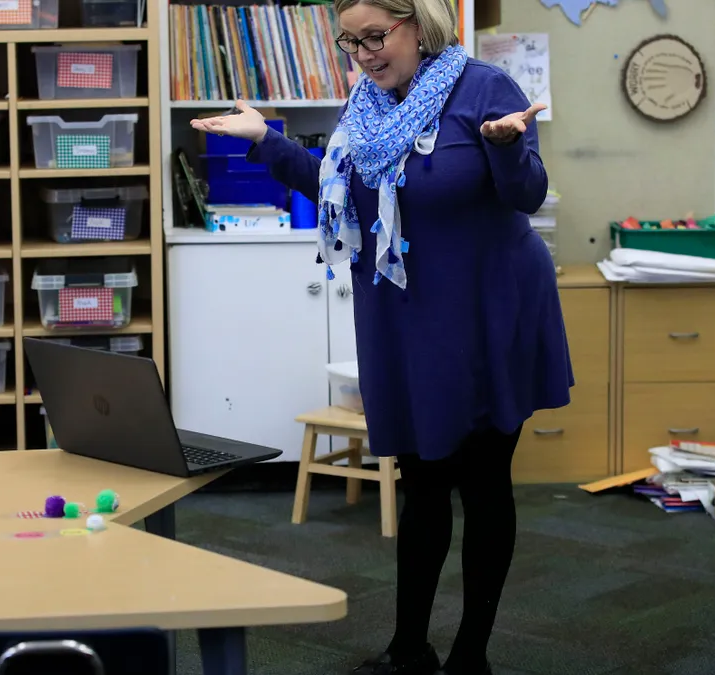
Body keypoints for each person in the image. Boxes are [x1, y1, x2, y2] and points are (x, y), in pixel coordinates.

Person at [191, 0, 573, 673]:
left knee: (483, 479)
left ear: (417, 25)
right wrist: (264, 139)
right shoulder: (365, 106)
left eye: (376, 36)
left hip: (488, 307)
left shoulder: (483, 87)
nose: (363, 53)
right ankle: (409, 646)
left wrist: (507, 149)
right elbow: (340, 186)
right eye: (349, 41)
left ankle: (471, 654)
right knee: (420, 477)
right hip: (408, 312)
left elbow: (526, 195)